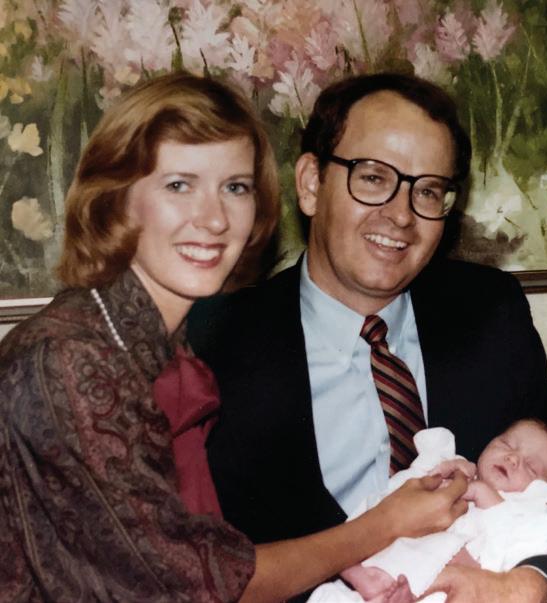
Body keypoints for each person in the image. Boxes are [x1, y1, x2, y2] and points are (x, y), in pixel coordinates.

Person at [0, 72, 467, 603]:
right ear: (116, 198)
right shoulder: (68, 361)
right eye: (179, 185)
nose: (214, 219)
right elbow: (199, 581)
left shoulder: (162, 346)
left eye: (235, 188)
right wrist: (383, 526)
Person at [188, 72, 547, 602]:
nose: (402, 215)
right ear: (311, 184)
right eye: (373, 178)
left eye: (427, 190)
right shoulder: (215, 340)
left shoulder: (487, 312)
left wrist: (527, 585)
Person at [328, 420, 547, 603]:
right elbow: (407, 489)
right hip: (401, 548)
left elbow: (514, 542)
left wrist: (488, 499)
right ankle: (372, 577)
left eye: (530, 466)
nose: (512, 458)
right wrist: (443, 470)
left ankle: (389, 588)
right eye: (506, 444)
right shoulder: (456, 469)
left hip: (461, 575)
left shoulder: (523, 509)